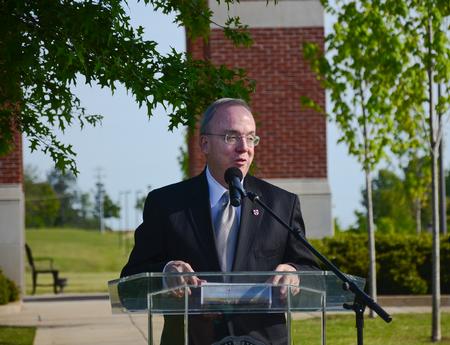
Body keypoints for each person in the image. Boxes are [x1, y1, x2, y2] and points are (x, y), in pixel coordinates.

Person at [121, 98, 318, 345]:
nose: (244, 148)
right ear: (204, 143)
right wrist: (165, 273)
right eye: (231, 137)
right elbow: (129, 286)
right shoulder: (166, 204)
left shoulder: (280, 204)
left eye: (251, 138)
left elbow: (311, 270)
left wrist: (295, 273)